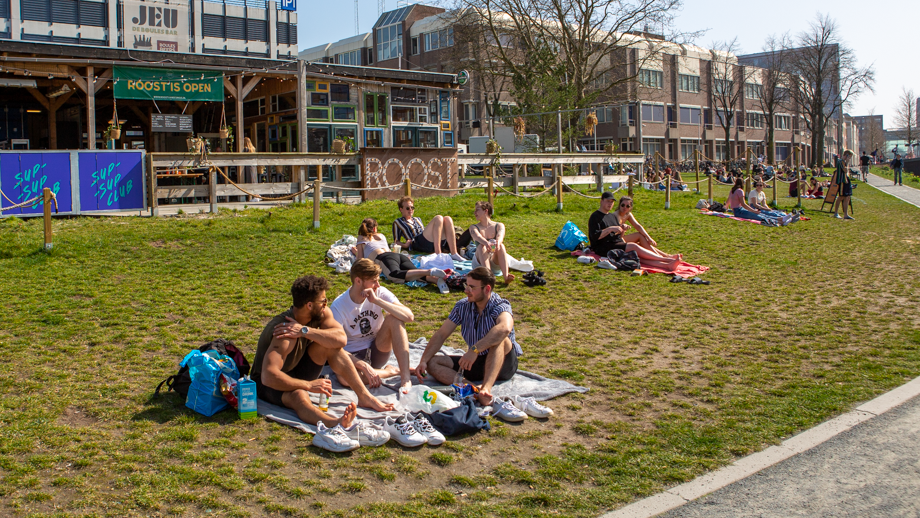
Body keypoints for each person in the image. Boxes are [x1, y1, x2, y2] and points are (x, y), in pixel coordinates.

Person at [251, 275, 395, 449]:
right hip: (269, 383)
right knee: (298, 395)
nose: (327, 303)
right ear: (309, 305)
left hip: (298, 368)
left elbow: (340, 339)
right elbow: (268, 376)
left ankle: (364, 397)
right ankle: (336, 423)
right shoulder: (284, 334)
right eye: (323, 300)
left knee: (331, 347)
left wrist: (305, 331)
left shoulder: (319, 314)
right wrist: (308, 385)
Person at [414, 267, 521, 408]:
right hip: (477, 361)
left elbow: (505, 328)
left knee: (499, 337)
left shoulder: (500, 305)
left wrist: (474, 350)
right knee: (433, 363)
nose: (466, 290)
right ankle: (474, 390)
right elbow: (441, 334)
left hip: (504, 362)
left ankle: (486, 388)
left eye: (472, 287)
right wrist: (424, 361)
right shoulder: (462, 306)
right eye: (466, 285)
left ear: (487, 289)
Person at [330, 259, 415, 395]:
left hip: (378, 348)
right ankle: (389, 372)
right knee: (345, 378)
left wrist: (377, 301)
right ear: (358, 281)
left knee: (395, 318)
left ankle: (405, 378)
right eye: (374, 281)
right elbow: (334, 347)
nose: (378, 284)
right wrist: (361, 364)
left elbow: (409, 316)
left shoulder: (379, 292)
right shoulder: (338, 306)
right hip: (354, 354)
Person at [588, 192, 684, 268]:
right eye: (608, 201)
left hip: (614, 243)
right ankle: (667, 259)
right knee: (634, 246)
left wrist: (623, 231)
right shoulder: (595, 216)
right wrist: (610, 229)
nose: (610, 204)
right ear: (601, 201)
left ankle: (667, 265)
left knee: (636, 255)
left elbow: (620, 236)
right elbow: (595, 237)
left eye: (612, 202)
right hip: (602, 247)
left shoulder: (611, 216)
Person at [353, 218, 449, 294]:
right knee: (415, 274)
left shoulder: (361, 238)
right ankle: (437, 281)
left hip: (383, 258)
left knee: (394, 274)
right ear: (374, 228)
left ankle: (429, 271)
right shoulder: (381, 235)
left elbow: (360, 260)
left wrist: (355, 252)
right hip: (397, 255)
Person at [392, 196, 465, 261]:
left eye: (412, 207)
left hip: (427, 241)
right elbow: (396, 241)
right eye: (408, 208)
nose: (410, 209)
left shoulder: (417, 219)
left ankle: (454, 253)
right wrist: (405, 245)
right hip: (416, 243)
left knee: (448, 219)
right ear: (401, 209)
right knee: (438, 218)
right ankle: (438, 253)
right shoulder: (398, 222)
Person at [470, 200, 516, 284]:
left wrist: (497, 243)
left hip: (494, 260)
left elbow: (500, 235)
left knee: (501, 246)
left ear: (485, 211)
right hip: (480, 262)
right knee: (481, 246)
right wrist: (486, 243)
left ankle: (506, 277)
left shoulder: (499, 225)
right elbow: (477, 236)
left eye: (477, 209)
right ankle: (488, 278)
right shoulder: (474, 227)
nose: (475, 212)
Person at [726, 178, 793, 226]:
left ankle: (781, 219)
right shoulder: (740, 191)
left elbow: (728, 200)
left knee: (761, 215)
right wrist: (753, 211)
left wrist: (725, 207)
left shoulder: (732, 190)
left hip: (738, 210)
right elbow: (743, 204)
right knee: (758, 216)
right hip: (739, 211)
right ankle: (781, 221)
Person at [833, 150, 855, 220]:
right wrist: (847, 163)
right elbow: (845, 170)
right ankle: (836, 212)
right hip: (842, 181)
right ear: (847, 155)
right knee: (841, 196)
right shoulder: (841, 161)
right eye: (850, 156)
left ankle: (846, 214)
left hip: (846, 180)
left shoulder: (844, 162)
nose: (850, 158)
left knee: (847, 197)